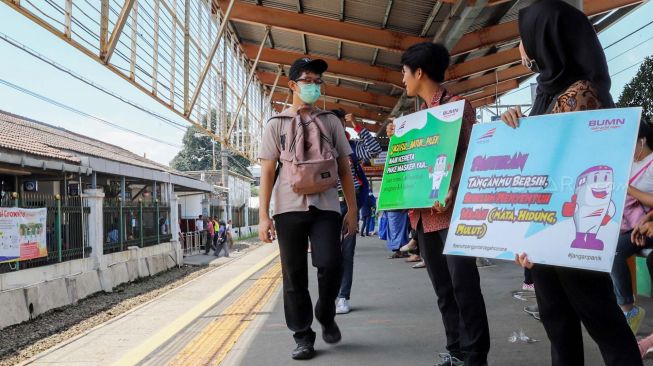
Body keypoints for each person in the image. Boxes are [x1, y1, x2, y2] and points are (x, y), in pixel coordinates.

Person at [504, 1, 642, 365]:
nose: (520, 48)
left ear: (545, 41)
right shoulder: (549, 92)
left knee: (601, 322)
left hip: (570, 231)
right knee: (559, 323)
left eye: (523, 39)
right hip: (550, 231)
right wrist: (512, 127)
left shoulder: (580, 93)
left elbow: (556, 168)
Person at [387, 41, 489, 366]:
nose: (403, 80)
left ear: (419, 72)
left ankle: (475, 355)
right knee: (443, 288)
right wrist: (397, 139)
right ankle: (456, 349)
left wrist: (451, 185)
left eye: (404, 72)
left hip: (453, 212)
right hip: (423, 216)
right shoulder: (415, 120)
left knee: (464, 285)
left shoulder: (459, 107)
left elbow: (471, 154)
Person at [258, 56, 358, 361]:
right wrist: (263, 216)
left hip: (326, 206)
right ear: (292, 85)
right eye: (307, 81)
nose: (313, 86)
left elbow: (344, 168)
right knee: (294, 275)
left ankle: (326, 313)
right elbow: (266, 171)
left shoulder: (330, 122)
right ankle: (303, 335)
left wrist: (352, 211)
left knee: (331, 263)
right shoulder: (276, 125)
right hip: (288, 209)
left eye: (318, 81)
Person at [330, 108, 382, 315]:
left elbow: (374, 149)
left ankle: (343, 296)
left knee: (346, 252)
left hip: (349, 204)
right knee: (327, 253)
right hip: (325, 204)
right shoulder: (318, 146)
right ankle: (330, 294)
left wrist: (359, 126)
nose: (339, 125)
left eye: (342, 122)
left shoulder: (351, 147)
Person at [610, 118, 653, 334]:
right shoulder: (630, 162)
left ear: (642, 140)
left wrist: (629, 190)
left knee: (616, 250)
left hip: (647, 224)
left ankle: (628, 309)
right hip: (633, 224)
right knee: (609, 249)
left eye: (631, 141)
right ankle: (626, 308)